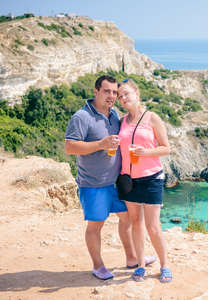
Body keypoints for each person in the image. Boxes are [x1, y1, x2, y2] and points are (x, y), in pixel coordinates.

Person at [65, 75, 155, 280]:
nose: (112, 96)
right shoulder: (82, 117)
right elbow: (70, 147)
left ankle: (132, 258)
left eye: (115, 92)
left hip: (118, 182)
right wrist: (100, 145)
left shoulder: (114, 114)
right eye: (107, 91)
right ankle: (98, 266)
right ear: (96, 91)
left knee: (127, 219)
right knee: (96, 225)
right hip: (94, 184)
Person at [117, 79, 172, 283]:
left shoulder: (152, 118)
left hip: (151, 178)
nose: (123, 98)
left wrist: (146, 152)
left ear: (137, 94)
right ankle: (140, 265)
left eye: (126, 94)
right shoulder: (121, 121)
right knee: (136, 224)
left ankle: (165, 265)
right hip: (129, 180)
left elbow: (166, 148)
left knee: (153, 226)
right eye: (120, 96)